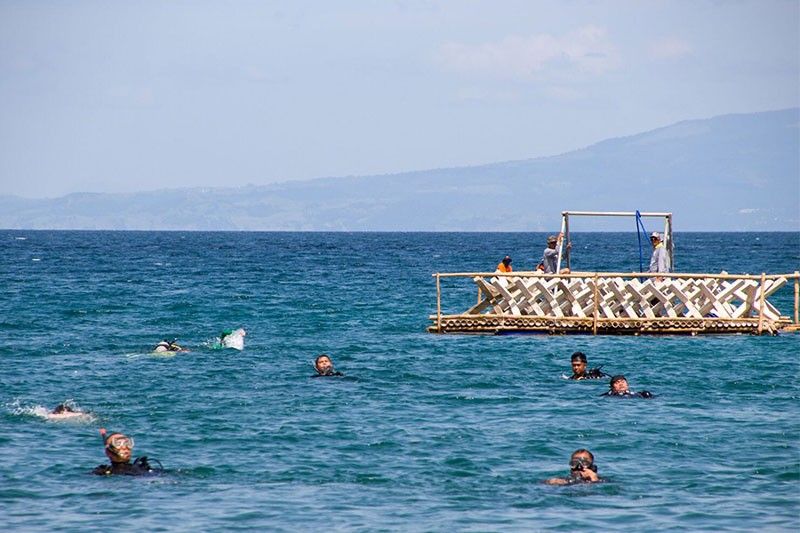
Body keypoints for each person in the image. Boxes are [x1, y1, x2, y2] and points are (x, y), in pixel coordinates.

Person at [92, 428, 162, 476]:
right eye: (118, 444)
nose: (125, 447)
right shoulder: (102, 471)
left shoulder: (142, 467)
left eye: (127, 443)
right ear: (108, 452)